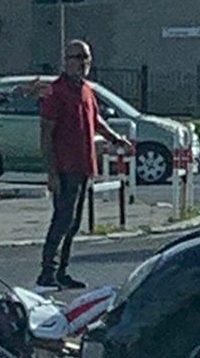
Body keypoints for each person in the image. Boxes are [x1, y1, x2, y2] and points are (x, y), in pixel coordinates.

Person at [38, 40, 133, 290]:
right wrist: (52, 173)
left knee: (74, 222)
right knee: (62, 219)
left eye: (86, 57)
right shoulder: (56, 91)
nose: (82, 62)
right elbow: (46, 134)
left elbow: (96, 120)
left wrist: (115, 138)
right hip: (64, 166)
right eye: (77, 57)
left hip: (83, 165)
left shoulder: (86, 90)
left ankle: (62, 271)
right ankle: (47, 271)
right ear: (66, 60)